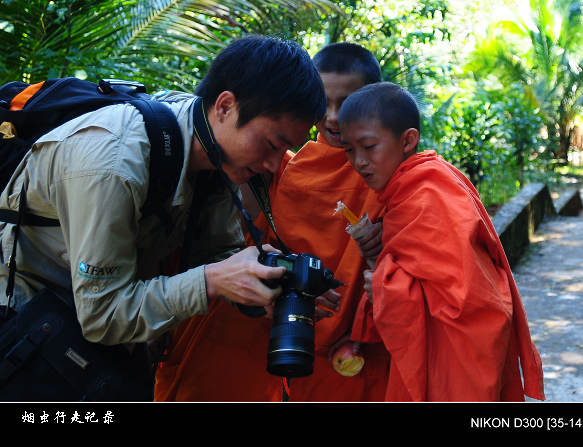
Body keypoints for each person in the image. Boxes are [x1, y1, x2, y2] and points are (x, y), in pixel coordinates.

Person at [0, 35, 326, 400]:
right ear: (225, 106)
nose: (273, 164)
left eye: (285, 149)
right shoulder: (114, 164)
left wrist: (262, 278)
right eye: (271, 144)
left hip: (90, 340)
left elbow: (216, 251)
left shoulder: (211, 146)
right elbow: (103, 315)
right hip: (30, 337)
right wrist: (213, 281)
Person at [153, 42, 390, 401]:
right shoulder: (278, 165)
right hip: (250, 322)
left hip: (344, 343)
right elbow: (235, 240)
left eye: (348, 103)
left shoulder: (389, 178)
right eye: (323, 102)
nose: (333, 116)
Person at [338, 82, 545, 402]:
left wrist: (382, 284)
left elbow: (464, 289)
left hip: (464, 338)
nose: (359, 161)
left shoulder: (429, 191)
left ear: (407, 140)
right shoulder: (410, 188)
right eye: (349, 149)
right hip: (453, 339)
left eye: (368, 147)